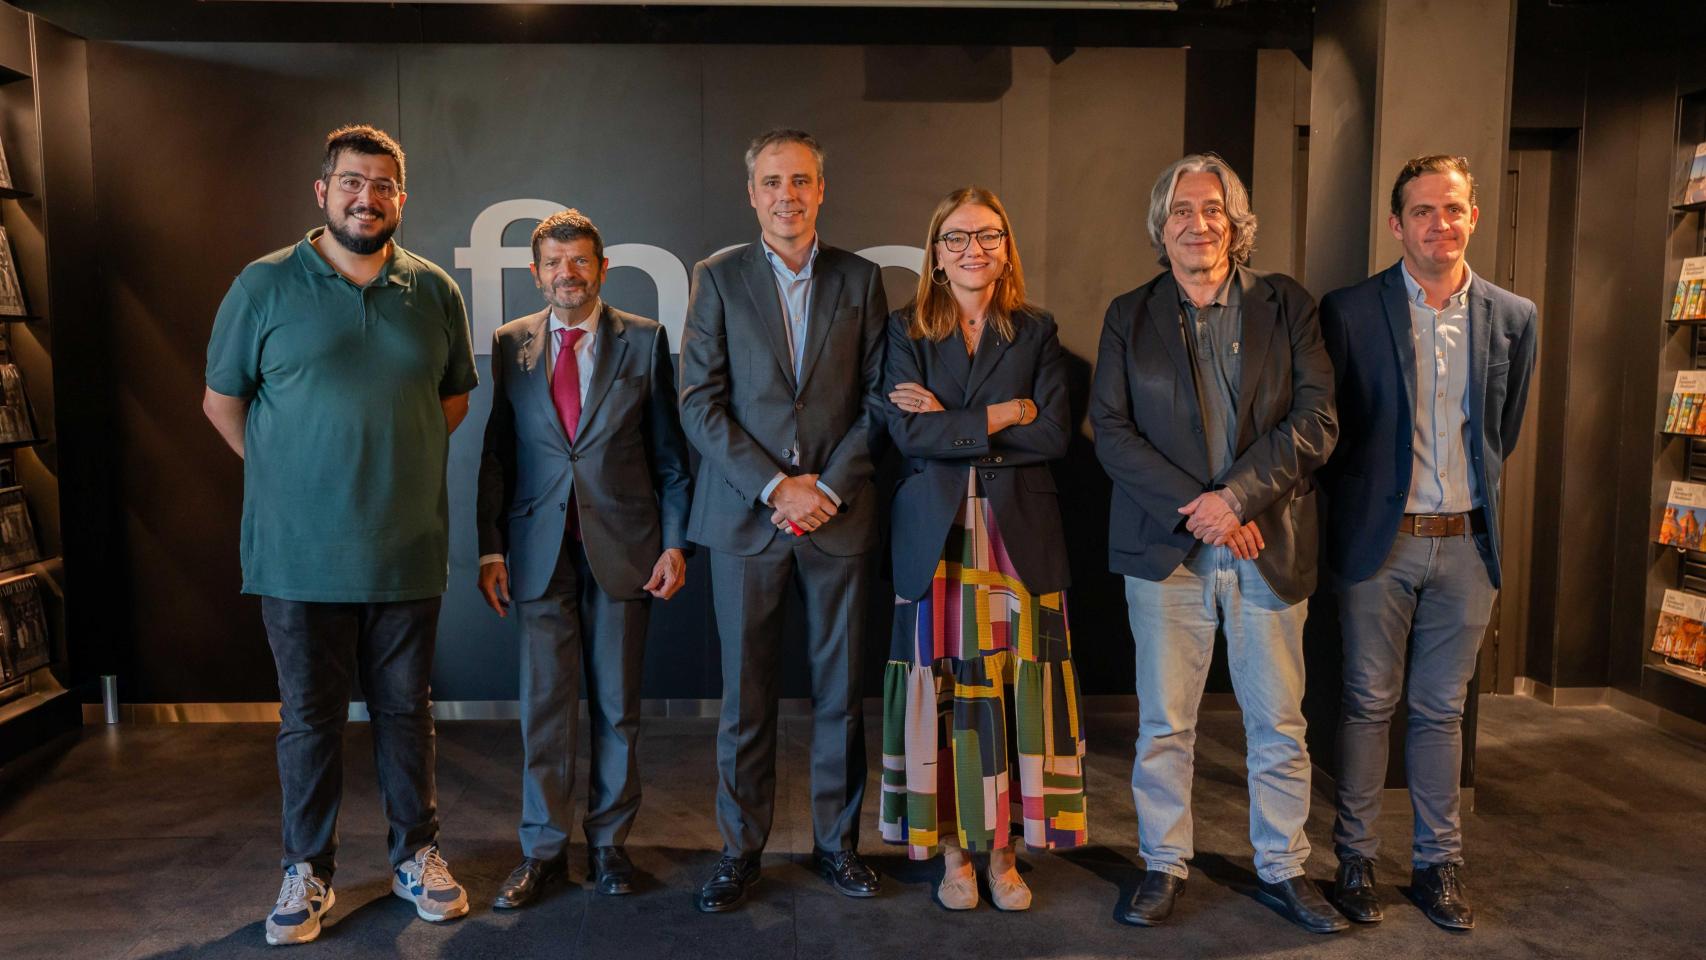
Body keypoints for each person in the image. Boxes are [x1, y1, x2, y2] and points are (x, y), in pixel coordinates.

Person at [201, 124, 477, 946]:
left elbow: (451, 401)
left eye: (385, 184)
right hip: (296, 555)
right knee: (310, 719)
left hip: (405, 548)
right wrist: (291, 477)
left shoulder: (433, 293)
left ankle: (416, 855)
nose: (369, 196)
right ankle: (307, 870)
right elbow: (222, 402)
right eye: (353, 181)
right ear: (322, 192)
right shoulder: (263, 286)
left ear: (402, 198)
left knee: (405, 711)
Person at [1090, 153, 1342, 933]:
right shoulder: (1128, 314)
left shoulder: (1286, 304)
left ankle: (1284, 868)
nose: (1196, 225)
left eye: (1212, 210)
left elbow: (1316, 420)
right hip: (1169, 553)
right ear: (1159, 229)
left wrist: (1235, 498)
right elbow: (1112, 431)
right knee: (1166, 724)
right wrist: (1199, 509)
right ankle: (1164, 863)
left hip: (1265, 543)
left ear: (1236, 224)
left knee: (1279, 724)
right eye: (1180, 212)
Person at [1319, 154, 1537, 931]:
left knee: (1442, 712)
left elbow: (1500, 433)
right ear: (1396, 223)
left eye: (1453, 209)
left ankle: (1438, 865)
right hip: (1382, 545)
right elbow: (1334, 437)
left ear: (1473, 216)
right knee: (1368, 703)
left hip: (1468, 547)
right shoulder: (1349, 310)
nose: (1439, 223)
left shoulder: (1514, 316)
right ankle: (1354, 858)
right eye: (1422, 211)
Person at [677, 129, 889, 912]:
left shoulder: (861, 279)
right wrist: (775, 486)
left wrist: (824, 487)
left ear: (822, 189)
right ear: (753, 193)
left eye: (801, 180)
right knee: (746, 699)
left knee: (839, 695)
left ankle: (839, 847)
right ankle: (740, 851)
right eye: (772, 182)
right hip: (747, 519)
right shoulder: (719, 278)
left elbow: (878, 398)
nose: (787, 195)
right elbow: (698, 402)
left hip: (839, 516)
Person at [877, 186, 1087, 912]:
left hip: (1017, 541)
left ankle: (1004, 855)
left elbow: (1054, 436)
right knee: (942, 703)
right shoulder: (904, 331)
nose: (975, 250)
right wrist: (1007, 413)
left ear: (1007, 246)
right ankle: (952, 855)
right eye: (959, 238)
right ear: (935, 253)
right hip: (935, 544)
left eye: (989, 236)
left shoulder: (1035, 328)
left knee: (1015, 702)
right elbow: (908, 437)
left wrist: (958, 424)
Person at [475, 209, 692, 908]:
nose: (566, 274)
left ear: (600, 268)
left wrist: (676, 542)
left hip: (624, 550)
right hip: (538, 553)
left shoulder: (645, 340)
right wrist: (490, 549)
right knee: (544, 709)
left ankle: (608, 848)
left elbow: (670, 457)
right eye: (553, 263)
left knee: (617, 708)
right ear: (536, 273)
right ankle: (542, 852)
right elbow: (496, 456)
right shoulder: (512, 344)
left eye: (579, 262)